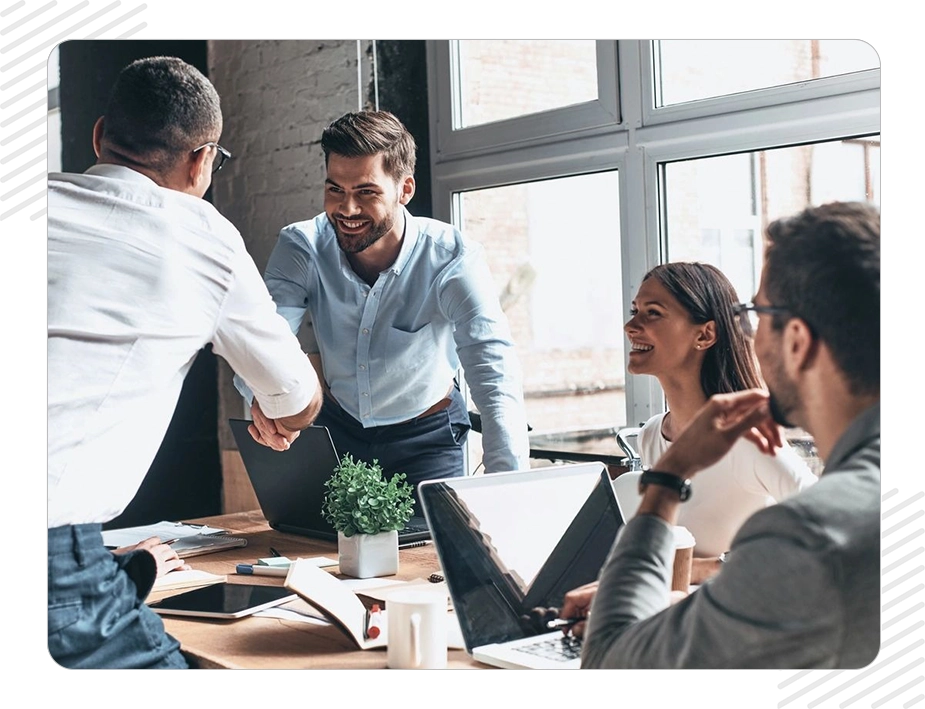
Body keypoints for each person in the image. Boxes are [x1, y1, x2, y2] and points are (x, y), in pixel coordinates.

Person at [47, 56, 323, 670]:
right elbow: (296, 396)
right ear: (203, 161)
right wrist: (279, 414)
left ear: (98, 138)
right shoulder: (203, 237)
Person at [561, 201, 880, 669]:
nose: (746, 330)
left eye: (756, 311)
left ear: (796, 340)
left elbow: (610, 662)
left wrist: (668, 479)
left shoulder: (808, 532)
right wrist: (694, 611)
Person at [235, 110, 530, 506]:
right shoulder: (302, 246)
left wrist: (509, 492)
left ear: (404, 189)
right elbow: (262, 338)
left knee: (433, 559)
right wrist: (263, 402)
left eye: (366, 192)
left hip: (426, 439)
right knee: (319, 556)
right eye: (335, 189)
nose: (347, 209)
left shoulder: (451, 258)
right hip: (337, 431)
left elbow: (493, 371)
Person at [623, 262, 818, 582]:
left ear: (705, 334)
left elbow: (834, 530)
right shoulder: (651, 435)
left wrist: (708, 568)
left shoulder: (747, 442)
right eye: (635, 310)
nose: (631, 325)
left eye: (653, 313)